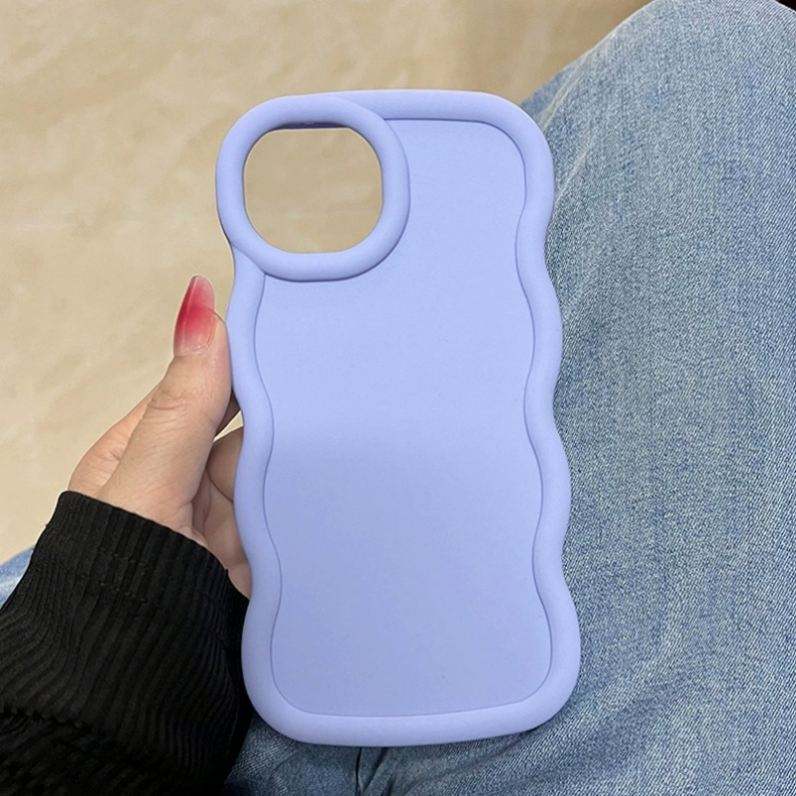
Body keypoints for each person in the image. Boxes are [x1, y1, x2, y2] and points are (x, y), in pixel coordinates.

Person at [1, 0, 794, 792]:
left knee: (709, 51)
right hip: (232, 694)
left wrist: (109, 622)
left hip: (137, 675)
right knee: (713, 56)